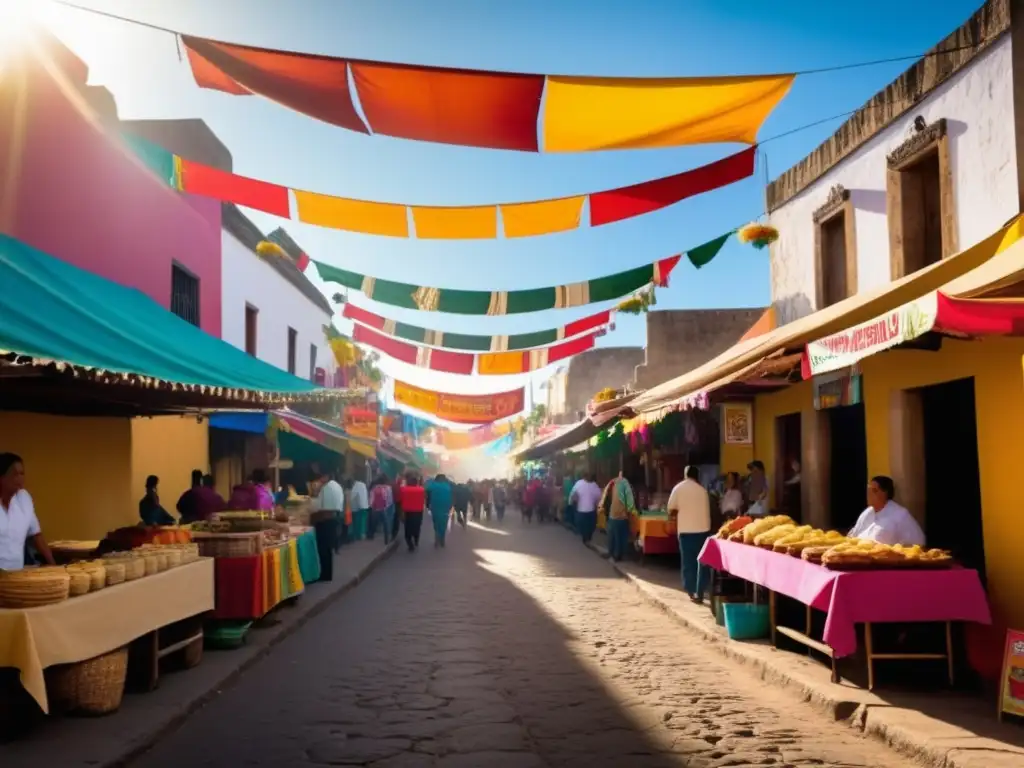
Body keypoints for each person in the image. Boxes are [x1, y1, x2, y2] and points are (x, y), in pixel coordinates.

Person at [0, 453, 54, 570]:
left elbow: (37, 535)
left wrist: (54, 566)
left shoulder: (24, 499)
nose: (20, 478)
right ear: (2, 477)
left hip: (17, 575)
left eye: (22, 473)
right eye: (15, 474)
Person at [669, 465, 712, 603]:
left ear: (685, 474)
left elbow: (671, 509)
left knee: (688, 562)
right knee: (702, 562)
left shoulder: (678, 488)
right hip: (703, 530)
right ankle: (700, 591)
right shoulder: (703, 490)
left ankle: (691, 591)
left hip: (686, 531)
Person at [849, 476, 925, 546]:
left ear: (885, 493)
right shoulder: (866, 513)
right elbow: (852, 536)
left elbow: (919, 542)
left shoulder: (900, 514)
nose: (869, 494)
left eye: (874, 490)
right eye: (869, 490)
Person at [310, 470, 344, 581]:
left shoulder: (327, 488)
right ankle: (327, 574)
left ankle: (325, 575)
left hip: (326, 520)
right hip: (334, 519)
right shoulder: (337, 486)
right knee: (328, 549)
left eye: (321, 477)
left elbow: (321, 507)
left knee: (323, 549)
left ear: (326, 476)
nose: (320, 480)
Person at [606, 472, 636, 562]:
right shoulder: (625, 483)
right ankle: (618, 555)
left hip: (612, 515)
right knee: (621, 537)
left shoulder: (613, 483)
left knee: (613, 537)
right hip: (621, 516)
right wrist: (632, 511)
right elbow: (630, 501)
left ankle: (613, 554)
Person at [570, 473, 603, 544]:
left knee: (588, 525)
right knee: (587, 525)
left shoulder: (592, 485)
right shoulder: (581, 483)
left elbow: (599, 496)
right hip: (585, 510)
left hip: (586, 510)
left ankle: (587, 537)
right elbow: (599, 496)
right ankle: (586, 537)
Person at [425, 473, 454, 548]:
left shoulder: (433, 485)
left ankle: (437, 539)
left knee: (436, 523)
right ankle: (442, 539)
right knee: (443, 523)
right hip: (446, 507)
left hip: (435, 506)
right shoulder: (448, 486)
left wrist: (428, 505)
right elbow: (452, 495)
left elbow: (426, 489)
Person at [399, 473, 426, 552]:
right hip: (418, 512)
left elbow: (400, 500)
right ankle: (416, 540)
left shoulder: (404, 489)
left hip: (407, 512)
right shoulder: (421, 490)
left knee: (407, 529)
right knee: (417, 527)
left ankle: (410, 544)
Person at [369, 473, 394, 544]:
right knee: (386, 523)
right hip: (384, 508)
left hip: (375, 508)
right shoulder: (388, 488)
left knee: (373, 522)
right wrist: (387, 506)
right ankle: (386, 539)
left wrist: (372, 506)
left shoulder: (374, 487)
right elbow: (390, 499)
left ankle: (371, 535)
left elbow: (371, 497)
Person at [349, 474, 370, 541]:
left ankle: (358, 535)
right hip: (364, 506)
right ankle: (362, 534)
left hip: (358, 508)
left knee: (358, 522)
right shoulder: (362, 485)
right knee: (363, 522)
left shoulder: (356, 486)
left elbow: (352, 496)